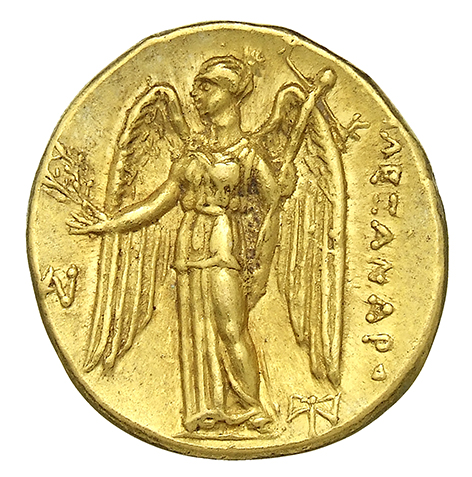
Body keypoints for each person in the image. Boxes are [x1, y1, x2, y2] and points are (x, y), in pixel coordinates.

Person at [72, 56, 287, 433]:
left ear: (231, 92)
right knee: (196, 328)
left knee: (231, 327)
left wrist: (260, 263)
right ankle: (210, 408)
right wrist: (110, 224)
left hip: (224, 243)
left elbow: (273, 208)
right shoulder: (190, 157)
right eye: (197, 86)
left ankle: (254, 408)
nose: (195, 94)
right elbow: (158, 202)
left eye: (206, 86)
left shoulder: (250, 155)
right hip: (189, 245)